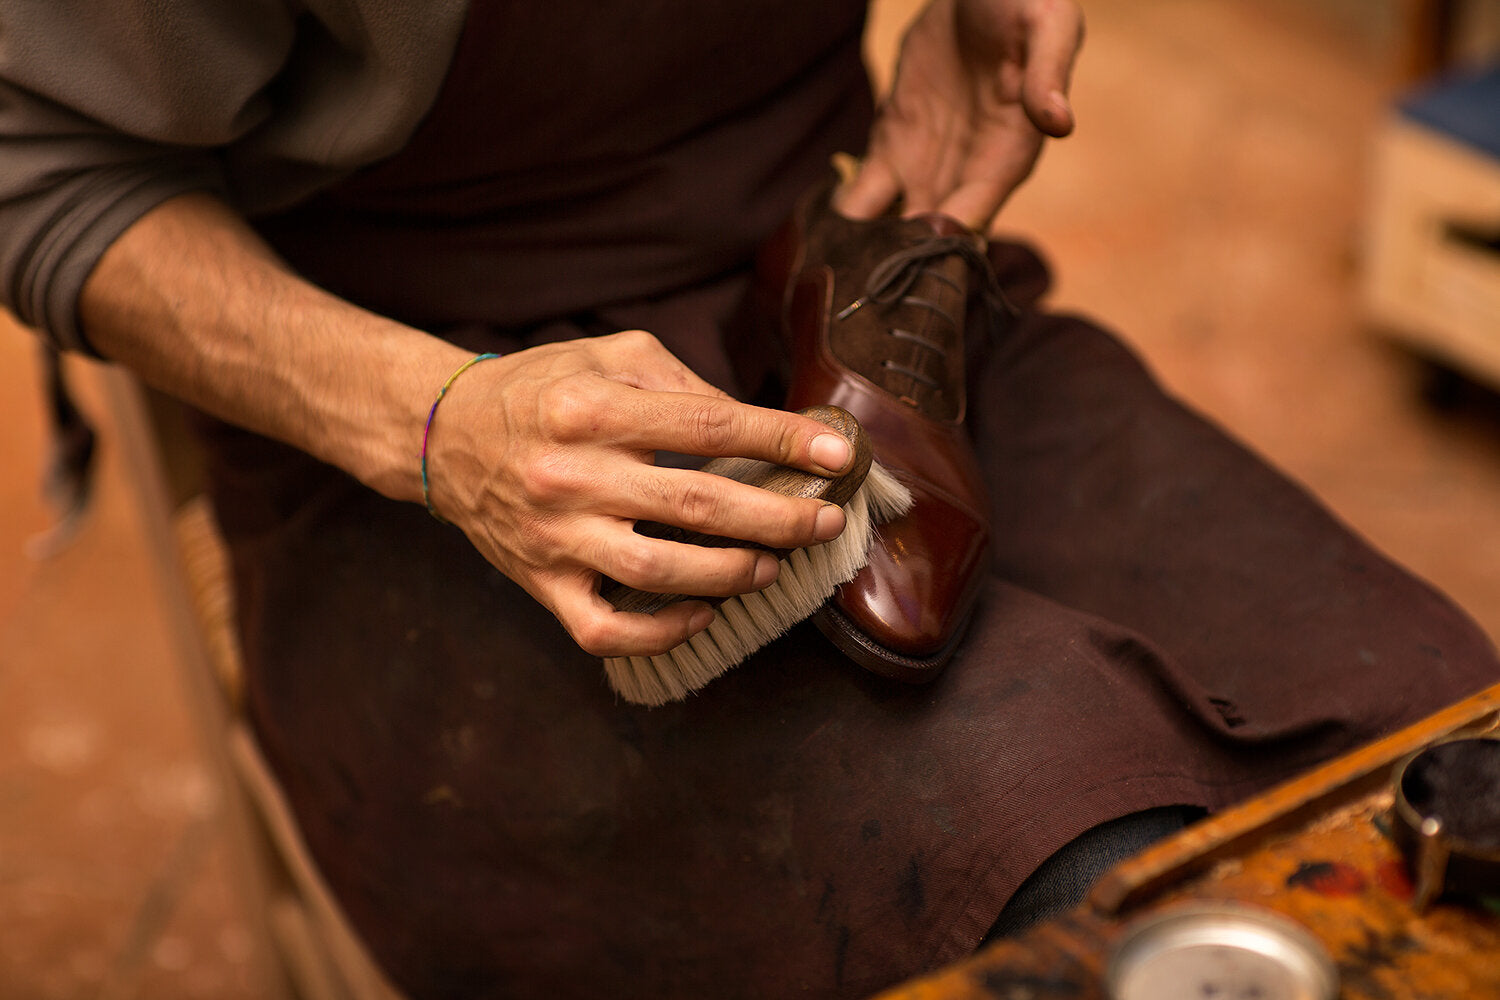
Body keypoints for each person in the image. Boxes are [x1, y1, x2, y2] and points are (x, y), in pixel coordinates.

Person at [1, 2, 1495, 997]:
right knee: (1053, 866)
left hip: (832, 260)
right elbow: (33, 168)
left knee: (1434, 769)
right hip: (433, 412)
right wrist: (435, 422)